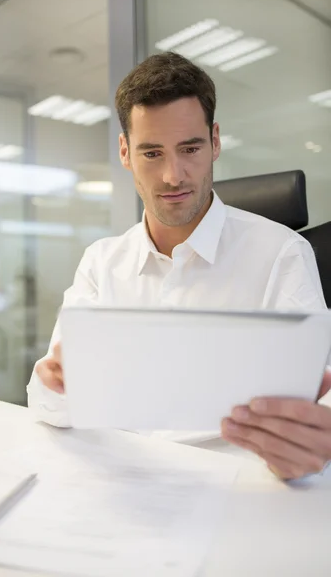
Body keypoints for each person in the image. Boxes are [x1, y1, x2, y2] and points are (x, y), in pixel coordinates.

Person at [27, 51, 331, 481]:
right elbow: (47, 405)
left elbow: (318, 408)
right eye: (152, 153)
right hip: (122, 483)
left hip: (234, 486)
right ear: (125, 152)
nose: (173, 175)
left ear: (216, 142)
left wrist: (310, 445)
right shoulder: (102, 261)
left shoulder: (282, 253)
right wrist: (57, 383)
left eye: (190, 148)